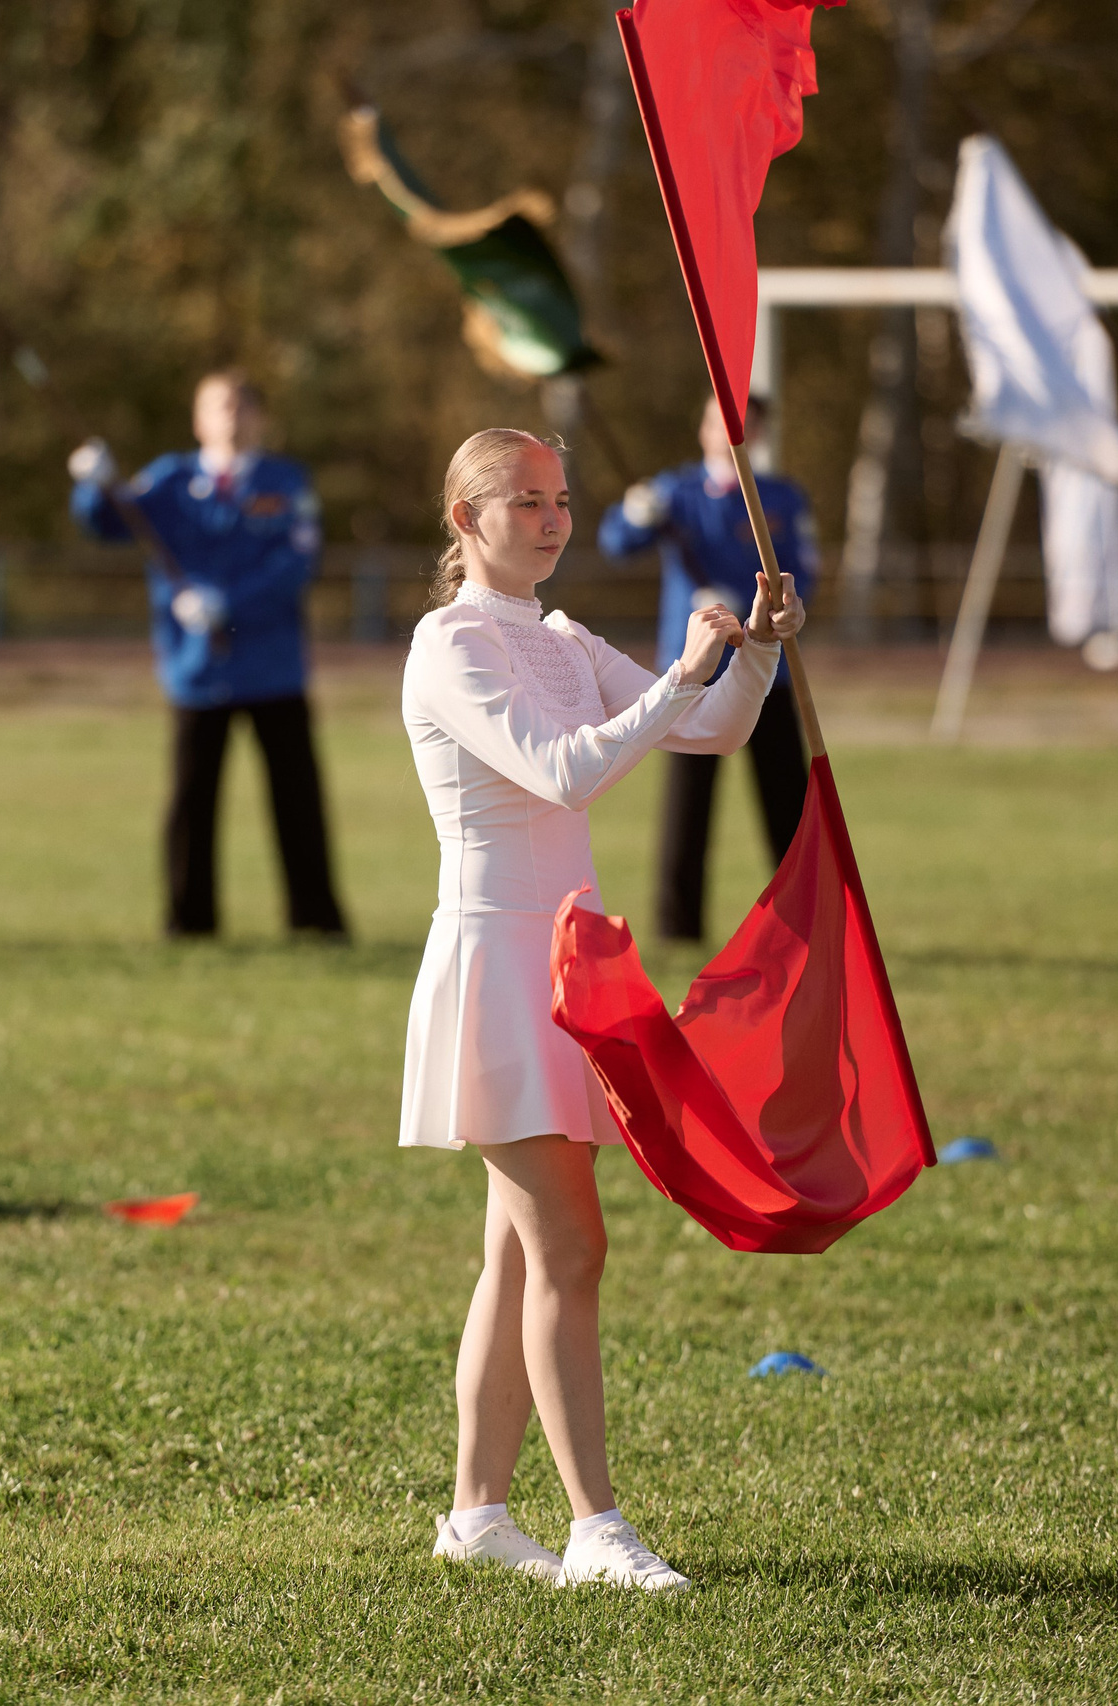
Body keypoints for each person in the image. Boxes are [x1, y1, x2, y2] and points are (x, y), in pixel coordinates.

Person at [400, 427, 805, 1591]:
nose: (551, 518)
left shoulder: (561, 635)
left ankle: (477, 1514)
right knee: (571, 1247)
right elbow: (567, 770)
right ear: (465, 519)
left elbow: (713, 733)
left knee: (519, 1256)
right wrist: (683, 670)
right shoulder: (446, 646)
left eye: (561, 499)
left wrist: (754, 658)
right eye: (524, 500)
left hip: (568, 969)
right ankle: (595, 1525)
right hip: (494, 966)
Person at [69, 370, 346, 940]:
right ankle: (190, 923)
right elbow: (110, 522)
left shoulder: (286, 481)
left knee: (297, 802)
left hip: (273, 669)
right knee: (192, 804)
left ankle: (316, 921)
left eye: (243, 405)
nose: (232, 416)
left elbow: (295, 564)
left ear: (260, 417)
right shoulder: (171, 480)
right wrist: (92, 485)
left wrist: (230, 603)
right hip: (198, 670)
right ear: (199, 419)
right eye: (219, 405)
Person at [598, 396, 819, 943]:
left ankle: (806, 924)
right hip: (692, 670)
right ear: (701, 428)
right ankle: (678, 930)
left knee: (787, 806)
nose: (726, 431)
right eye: (716, 420)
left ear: (760, 432)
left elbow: (803, 577)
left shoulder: (784, 499)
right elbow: (615, 543)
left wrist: (760, 606)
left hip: (768, 673)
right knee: (686, 810)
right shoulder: (675, 493)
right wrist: (633, 513)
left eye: (741, 422)